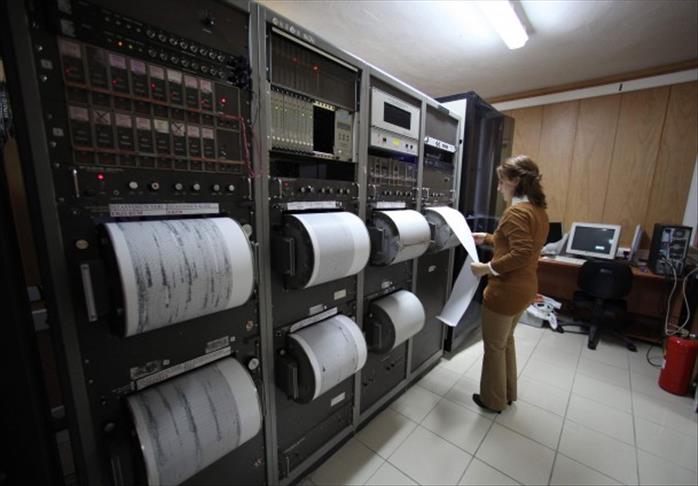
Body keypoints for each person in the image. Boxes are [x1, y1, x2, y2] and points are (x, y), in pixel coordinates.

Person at [469, 155, 549, 413]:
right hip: (525, 288)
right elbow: (518, 244)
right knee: (506, 341)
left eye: (501, 181)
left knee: (494, 347)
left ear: (514, 181)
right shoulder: (537, 211)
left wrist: (487, 268)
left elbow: (521, 253)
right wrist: (487, 238)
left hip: (505, 292)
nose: (498, 187)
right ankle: (507, 393)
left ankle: (492, 400)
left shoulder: (515, 212)